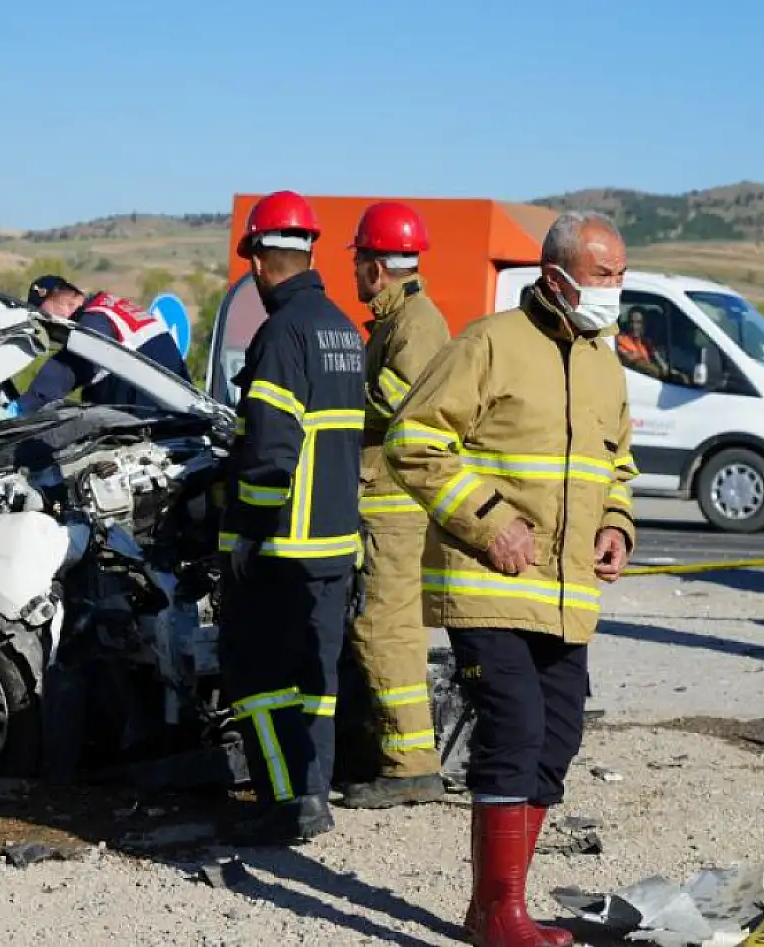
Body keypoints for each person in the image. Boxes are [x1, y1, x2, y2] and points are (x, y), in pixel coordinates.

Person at [385, 210, 637, 946]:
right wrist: (488, 518)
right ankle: (500, 915)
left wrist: (617, 525)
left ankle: (498, 907)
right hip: (487, 584)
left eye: (621, 275)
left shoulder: (603, 359)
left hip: (567, 596)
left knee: (556, 738)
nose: (615, 289)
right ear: (555, 276)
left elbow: (617, 463)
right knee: (513, 730)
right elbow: (415, 438)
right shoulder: (488, 344)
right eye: (603, 276)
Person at [217, 191, 366, 845]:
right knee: (318, 681)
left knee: (259, 680)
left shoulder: (280, 334)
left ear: (257, 259)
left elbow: (271, 452)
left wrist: (247, 531)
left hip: (283, 545)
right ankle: (313, 794)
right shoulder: (342, 327)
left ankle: (283, 802)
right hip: (335, 543)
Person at [335, 201, 452, 810]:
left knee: (386, 631)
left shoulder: (416, 323)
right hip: (384, 501)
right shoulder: (395, 319)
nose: (353, 273)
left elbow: (398, 401)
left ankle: (409, 766)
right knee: (379, 629)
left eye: (358, 261)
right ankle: (393, 756)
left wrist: (334, 395)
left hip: (394, 505)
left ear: (378, 267)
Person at [18, 279, 190, 411]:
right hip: (179, 411)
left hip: (150, 416)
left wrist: (26, 405)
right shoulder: (113, 306)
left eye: (47, 319)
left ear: (70, 300)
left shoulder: (95, 320)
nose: (50, 329)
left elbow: (70, 365)